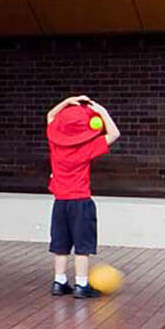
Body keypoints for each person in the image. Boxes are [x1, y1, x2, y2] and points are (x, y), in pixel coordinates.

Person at [45, 95, 120, 298]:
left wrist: (68, 101)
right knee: (82, 245)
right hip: (80, 201)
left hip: (60, 202)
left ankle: (59, 281)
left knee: (60, 245)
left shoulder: (55, 144)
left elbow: (50, 115)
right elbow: (114, 133)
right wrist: (101, 111)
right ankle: (81, 284)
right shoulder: (87, 147)